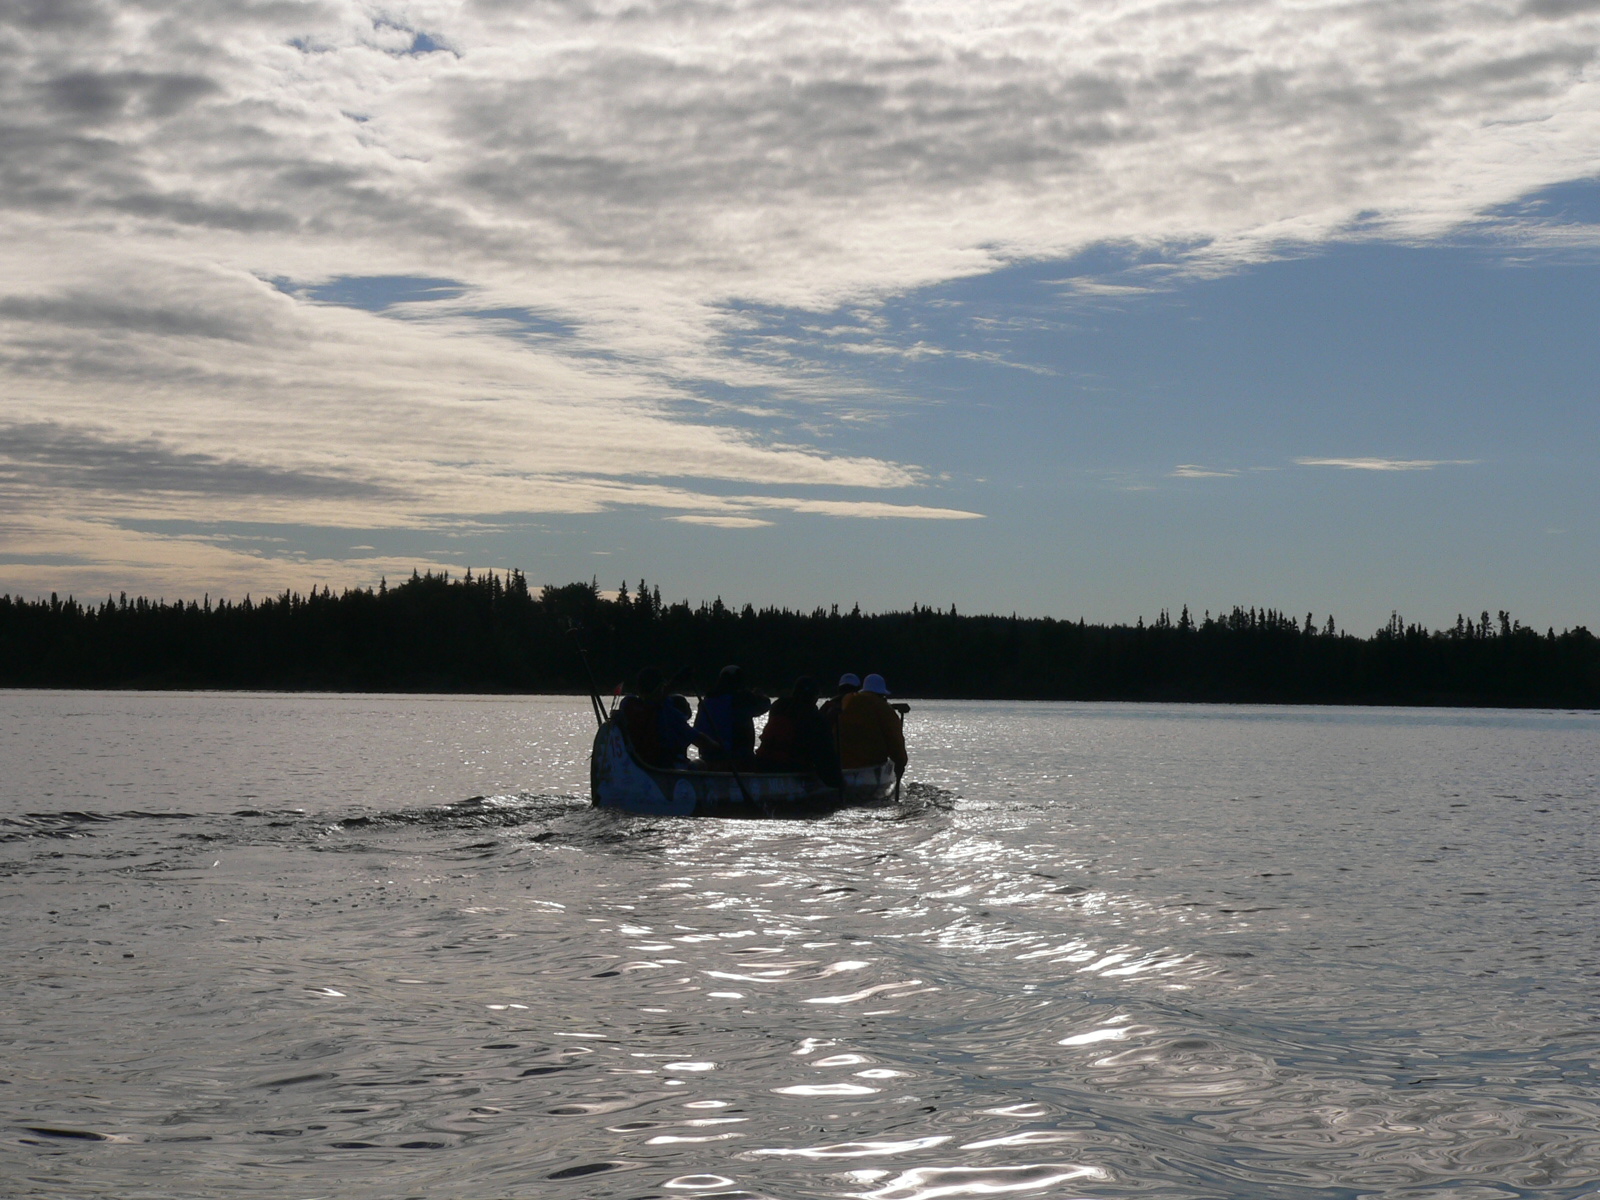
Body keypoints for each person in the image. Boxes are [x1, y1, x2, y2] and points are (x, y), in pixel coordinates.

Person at [619, 667, 718, 768]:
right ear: (660, 687)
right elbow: (699, 740)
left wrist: (675, 682)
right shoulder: (667, 712)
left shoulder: (627, 704)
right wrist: (720, 748)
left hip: (636, 765)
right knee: (701, 764)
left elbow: (652, 699)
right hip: (664, 767)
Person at [756, 676, 843, 787]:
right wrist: (839, 783)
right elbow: (825, 757)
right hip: (787, 767)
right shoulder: (815, 719)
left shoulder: (778, 706)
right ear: (815, 697)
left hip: (761, 764)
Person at [693, 665, 770, 767]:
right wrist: (759, 695)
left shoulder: (706, 701)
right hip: (737, 758)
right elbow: (764, 706)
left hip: (708, 757)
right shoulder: (741, 699)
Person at [837, 673, 907, 780]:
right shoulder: (886, 711)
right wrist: (900, 763)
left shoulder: (847, 703)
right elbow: (895, 741)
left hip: (842, 763)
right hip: (869, 764)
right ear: (882, 693)